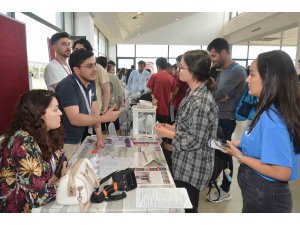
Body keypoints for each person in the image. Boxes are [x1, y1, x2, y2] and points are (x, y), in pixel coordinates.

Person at [224, 50, 300, 213]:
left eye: (252, 75)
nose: (247, 80)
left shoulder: (272, 118)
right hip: (260, 193)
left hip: (265, 198)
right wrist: (239, 144)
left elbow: (282, 171)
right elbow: (265, 142)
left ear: (269, 79)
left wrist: (240, 156)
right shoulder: (269, 109)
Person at [155, 50, 218, 213]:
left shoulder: (200, 102)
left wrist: (167, 134)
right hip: (184, 161)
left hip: (193, 166)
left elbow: (195, 140)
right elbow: (190, 125)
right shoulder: (192, 92)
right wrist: (172, 128)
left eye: (181, 67)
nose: (177, 70)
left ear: (193, 71)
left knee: (188, 208)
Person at [0, 90, 68, 212]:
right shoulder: (23, 143)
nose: (60, 113)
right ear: (39, 113)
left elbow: (59, 160)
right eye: (55, 109)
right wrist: (63, 183)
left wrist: (54, 180)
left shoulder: (46, 135)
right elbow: (38, 197)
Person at [55, 49, 123, 160]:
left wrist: (99, 137)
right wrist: (105, 118)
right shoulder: (68, 86)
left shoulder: (90, 82)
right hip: (65, 141)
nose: (95, 69)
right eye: (89, 66)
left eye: (95, 64)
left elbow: (94, 111)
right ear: (76, 70)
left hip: (79, 138)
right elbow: (75, 119)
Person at [207, 38, 247, 202]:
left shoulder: (236, 71)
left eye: (214, 56)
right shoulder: (223, 71)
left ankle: (225, 188)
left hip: (226, 118)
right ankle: (217, 180)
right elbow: (216, 93)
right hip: (217, 115)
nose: (212, 60)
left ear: (224, 52)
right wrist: (217, 96)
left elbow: (216, 93)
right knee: (217, 151)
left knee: (225, 152)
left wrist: (217, 96)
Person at [72, 38, 110, 115]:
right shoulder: (74, 67)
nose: (78, 52)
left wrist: (104, 110)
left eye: (82, 50)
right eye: (76, 50)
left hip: (95, 111)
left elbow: (106, 90)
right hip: (79, 110)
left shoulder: (98, 68)